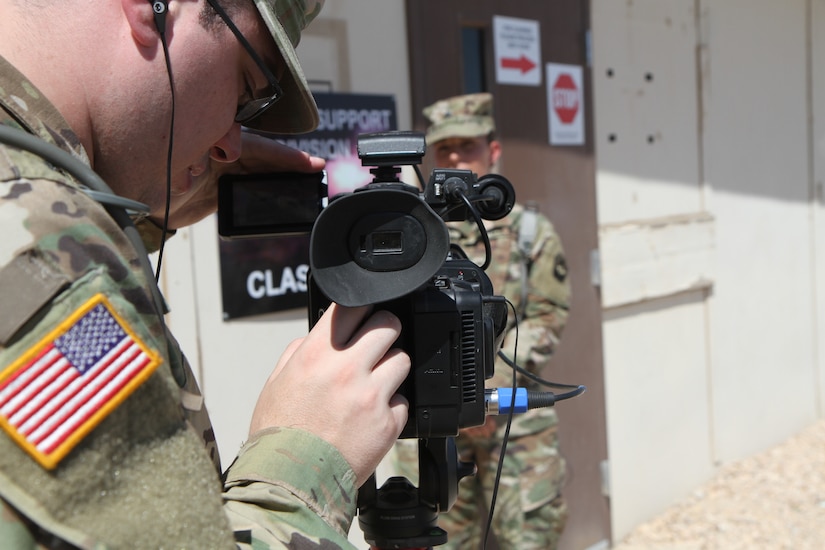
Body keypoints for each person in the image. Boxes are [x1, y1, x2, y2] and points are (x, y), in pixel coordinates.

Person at [0, 0, 411, 548]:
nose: (230, 144)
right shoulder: (46, 262)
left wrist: (140, 214)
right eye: (245, 92)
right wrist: (305, 459)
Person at [393, 92, 572, 549]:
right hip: (433, 418)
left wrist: (488, 392)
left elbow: (548, 316)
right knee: (436, 536)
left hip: (508, 414)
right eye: (445, 149)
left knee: (529, 533)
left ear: (493, 151)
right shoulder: (413, 233)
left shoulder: (530, 232)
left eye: (466, 147)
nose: (455, 157)